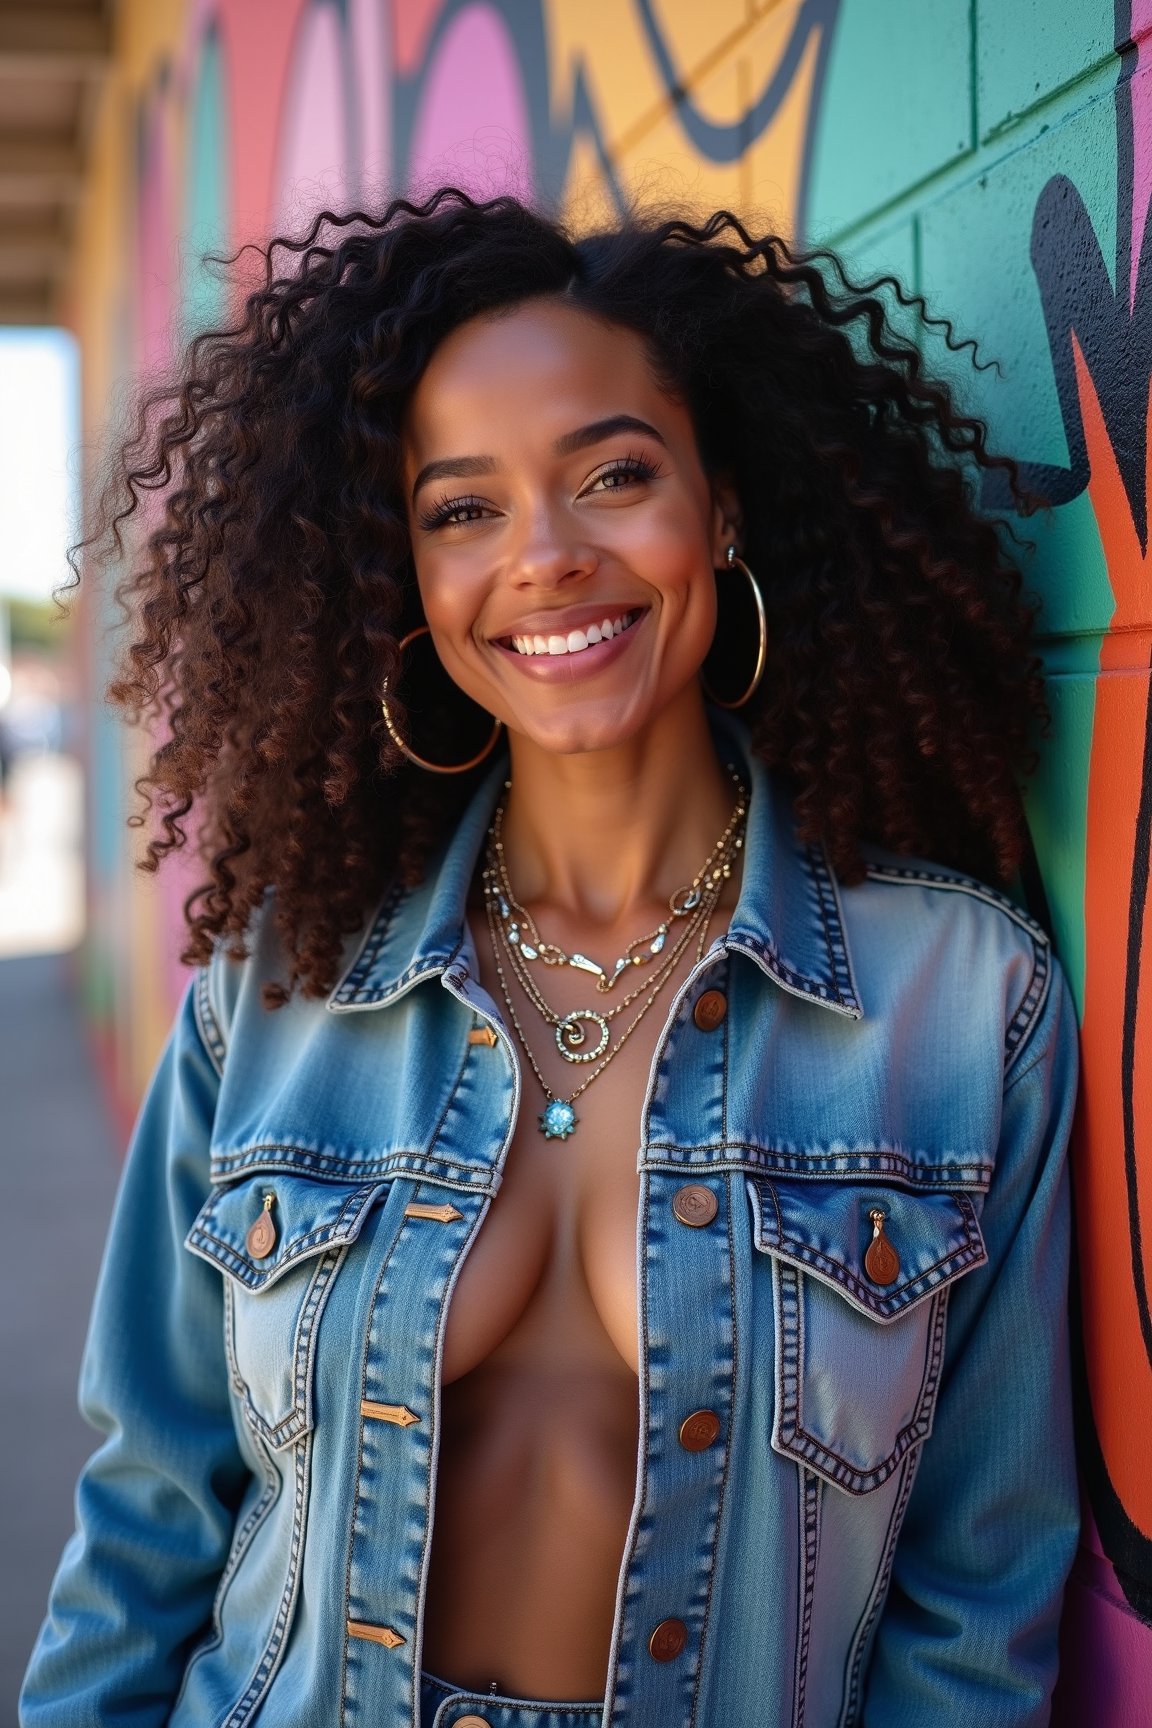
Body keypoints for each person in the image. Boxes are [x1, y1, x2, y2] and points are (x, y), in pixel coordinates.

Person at [22, 190, 1079, 1728]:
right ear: (408, 577)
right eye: (464, 509)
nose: (547, 558)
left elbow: (977, 1604)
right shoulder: (280, 990)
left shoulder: (962, 1009)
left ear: (720, 506)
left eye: (614, 476)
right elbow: (145, 1526)